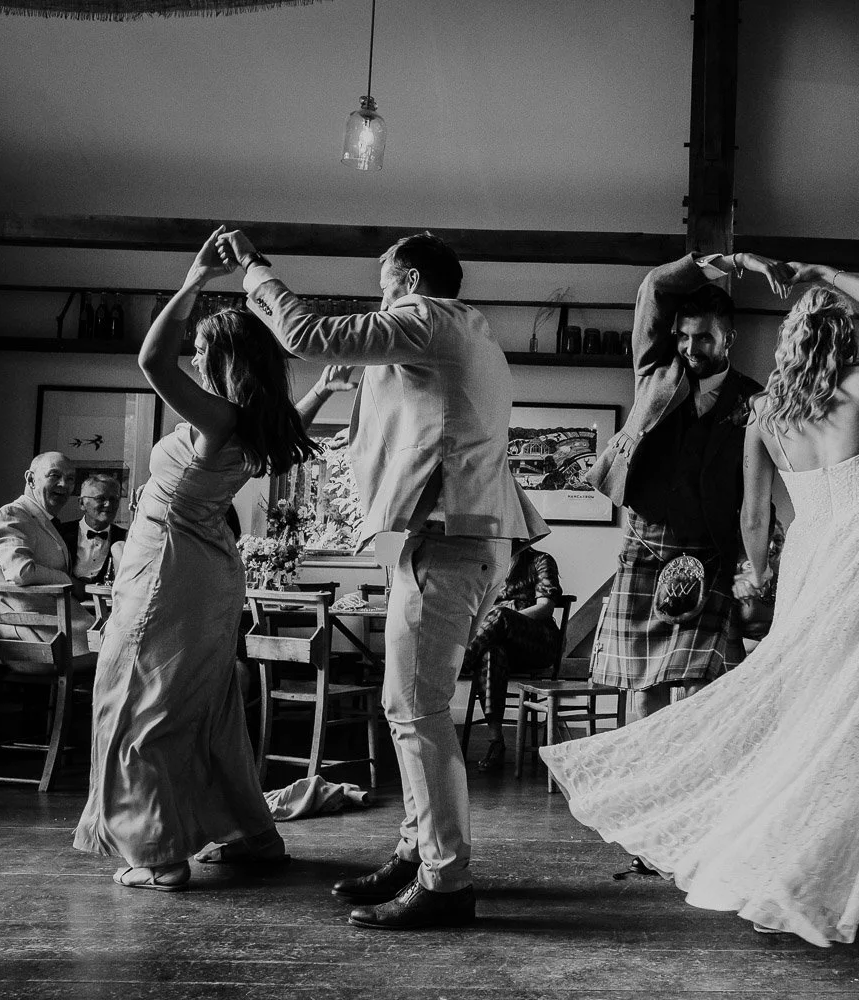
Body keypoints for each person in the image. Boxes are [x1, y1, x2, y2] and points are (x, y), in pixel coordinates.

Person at [543, 264, 859, 947]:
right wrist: (821, 275)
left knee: (810, 706)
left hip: (811, 559)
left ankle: (800, 855)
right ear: (842, 341)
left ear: (786, 344)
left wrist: (759, 572)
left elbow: (752, 514)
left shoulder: (767, 411)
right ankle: (856, 865)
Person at [217, 228, 547, 931]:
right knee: (412, 710)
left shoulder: (428, 319)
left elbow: (305, 332)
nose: (380, 290)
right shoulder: (472, 333)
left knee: (416, 713)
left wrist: (254, 271)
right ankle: (416, 849)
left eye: (384, 277)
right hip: (452, 541)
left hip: (444, 544)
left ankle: (446, 881)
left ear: (411, 279)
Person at [73, 228, 314, 891]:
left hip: (173, 576)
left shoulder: (221, 420)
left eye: (205, 346)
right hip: (205, 572)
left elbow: (152, 360)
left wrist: (196, 277)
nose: (196, 353)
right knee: (204, 707)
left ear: (227, 358)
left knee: (139, 702)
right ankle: (248, 838)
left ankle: (157, 855)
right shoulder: (257, 422)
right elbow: (292, 427)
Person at [586, 251, 793, 723]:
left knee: (705, 684)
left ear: (729, 339)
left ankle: (692, 784)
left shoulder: (755, 399)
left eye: (704, 338)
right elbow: (655, 285)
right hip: (646, 544)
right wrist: (736, 261)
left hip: (713, 551)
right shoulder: (655, 373)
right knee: (645, 685)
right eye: (682, 335)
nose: (689, 347)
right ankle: (646, 783)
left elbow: (758, 494)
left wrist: (757, 562)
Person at [459, 543, 564, 770]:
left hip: (538, 641)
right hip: (499, 644)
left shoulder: (540, 560)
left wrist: (505, 618)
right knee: (490, 654)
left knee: (499, 615)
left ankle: (460, 664)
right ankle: (496, 741)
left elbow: (545, 607)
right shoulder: (488, 564)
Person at [0, 451, 94, 660]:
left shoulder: (42, 520)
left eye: (70, 479)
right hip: (34, 633)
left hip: (57, 627)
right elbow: (21, 572)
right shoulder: (11, 514)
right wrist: (68, 581)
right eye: (54, 476)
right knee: (127, 653)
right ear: (30, 479)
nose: (64, 485)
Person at [57, 473, 127, 587]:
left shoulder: (126, 538)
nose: (108, 504)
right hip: (66, 602)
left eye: (114, 499)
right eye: (100, 498)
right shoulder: (60, 533)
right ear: (82, 503)